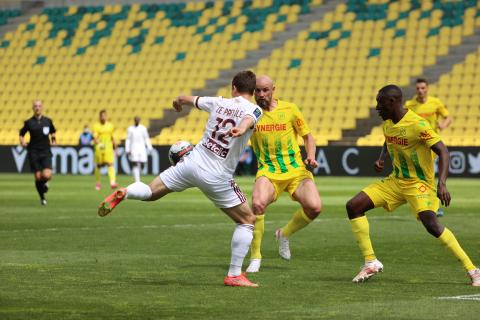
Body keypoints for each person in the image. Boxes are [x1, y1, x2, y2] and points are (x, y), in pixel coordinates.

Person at [98, 70, 263, 287]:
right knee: (247, 220)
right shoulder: (254, 108)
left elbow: (187, 98)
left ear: (233, 87)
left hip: (191, 162)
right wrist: (240, 129)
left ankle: (126, 192)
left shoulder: (218, 101)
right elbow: (249, 120)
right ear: (253, 91)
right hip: (217, 174)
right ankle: (234, 275)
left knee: (151, 191)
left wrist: (178, 102)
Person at [346, 84, 479, 286]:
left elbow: (443, 151)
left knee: (431, 224)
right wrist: (382, 158)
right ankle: (371, 261)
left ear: (392, 102)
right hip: (395, 181)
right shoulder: (388, 123)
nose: (377, 108)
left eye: (380, 103)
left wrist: (442, 183)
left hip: (419, 184)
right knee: (353, 206)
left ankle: (473, 270)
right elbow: (388, 141)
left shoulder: (418, 125)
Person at [246, 75, 322, 273]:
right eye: (257, 91)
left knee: (314, 208)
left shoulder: (290, 109)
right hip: (269, 170)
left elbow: (308, 136)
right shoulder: (250, 113)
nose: (261, 94)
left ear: (273, 90)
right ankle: (255, 256)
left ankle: (284, 234)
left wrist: (311, 156)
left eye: (265, 90)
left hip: (296, 169)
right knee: (257, 204)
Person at [405, 78, 452, 217]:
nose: (420, 91)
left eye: (423, 88)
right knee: (421, 174)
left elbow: (448, 117)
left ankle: (432, 206)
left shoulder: (435, 102)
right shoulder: (410, 105)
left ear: (427, 88)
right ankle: (426, 204)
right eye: (418, 88)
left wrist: (443, 125)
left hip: (432, 143)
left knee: (427, 173)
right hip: (416, 145)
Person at [19, 100, 57, 205]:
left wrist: (53, 140)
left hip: (45, 151)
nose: (37, 108)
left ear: (42, 107)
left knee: (47, 175)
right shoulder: (29, 122)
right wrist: (22, 142)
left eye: (39, 106)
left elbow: (53, 131)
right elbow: (21, 133)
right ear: (33, 108)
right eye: (35, 106)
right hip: (33, 152)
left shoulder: (48, 121)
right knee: (38, 177)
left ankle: (45, 184)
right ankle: (42, 198)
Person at [92, 110, 117, 190]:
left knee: (110, 164)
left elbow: (113, 138)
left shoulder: (110, 126)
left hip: (108, 148)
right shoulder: (96, 126)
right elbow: (95, 138)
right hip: (99, 149)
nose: (102, 117)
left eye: (104, 116)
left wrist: (115, 148)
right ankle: (98, 183)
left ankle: (112, 182)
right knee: (98, 166)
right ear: (99, 117)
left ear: (106, 116)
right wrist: (99, 143)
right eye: (101, 116)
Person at [125, 116, 153, 182]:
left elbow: (146, 138)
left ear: (139, 120)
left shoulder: (143, 128)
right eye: (136, 120)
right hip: (133, 148)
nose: (137, 121)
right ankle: (137, 180)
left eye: (138, 120)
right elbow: (128, 139)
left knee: (142, 163)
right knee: (135, 163)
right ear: (134, 120)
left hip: (142, 148)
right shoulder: (130, 129)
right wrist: (127, 149)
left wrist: (149, 147)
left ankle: (138, 175)